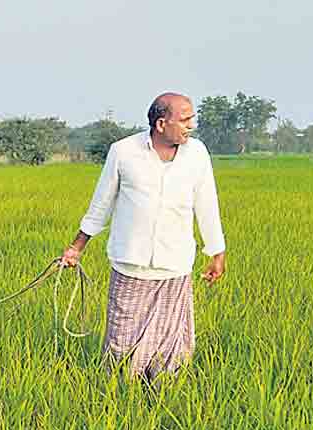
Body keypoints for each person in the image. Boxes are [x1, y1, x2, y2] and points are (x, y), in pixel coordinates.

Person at [61, 92, 227, 383]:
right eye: (185, 119)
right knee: (122, 344)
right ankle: (121, 398)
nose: (191, 125)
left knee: (171, 347)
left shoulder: (197, 153)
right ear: (161, 124)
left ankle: (164, 397)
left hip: (174, 265)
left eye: (192, 118)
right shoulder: (123, 152)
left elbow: (207, 204)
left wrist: (217, 251)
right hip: (131, 264)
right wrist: (76, 248)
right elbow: (101, 204)